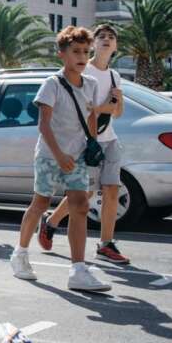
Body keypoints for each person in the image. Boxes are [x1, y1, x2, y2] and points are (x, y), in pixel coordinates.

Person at [11, 26, 111, 292]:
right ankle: (20, 253)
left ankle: (78, 269)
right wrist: (58, 154)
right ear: (62, 54)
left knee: (79, 205)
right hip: (49, 154)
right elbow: (44, 125)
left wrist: (91, 144)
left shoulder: (90, 84)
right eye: (75, 51)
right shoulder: (52, 84)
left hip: (77, 155)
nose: (81, 56)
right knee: (40, 203)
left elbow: (91, 117)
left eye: (85, 52)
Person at [38, 23, 128, 263]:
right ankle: (51, 221)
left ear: (116, 46)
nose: (106, 39)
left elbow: (117, 113)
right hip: (86, 142)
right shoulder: (80, 69)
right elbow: (85, 110)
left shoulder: (114, 75)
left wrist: (116, 103)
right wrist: (101, 107)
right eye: (101, 36)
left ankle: (106, 244)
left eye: (111, 37)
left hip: (109, 139)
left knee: (111, 191)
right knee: (84, 193)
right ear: (93, 44)